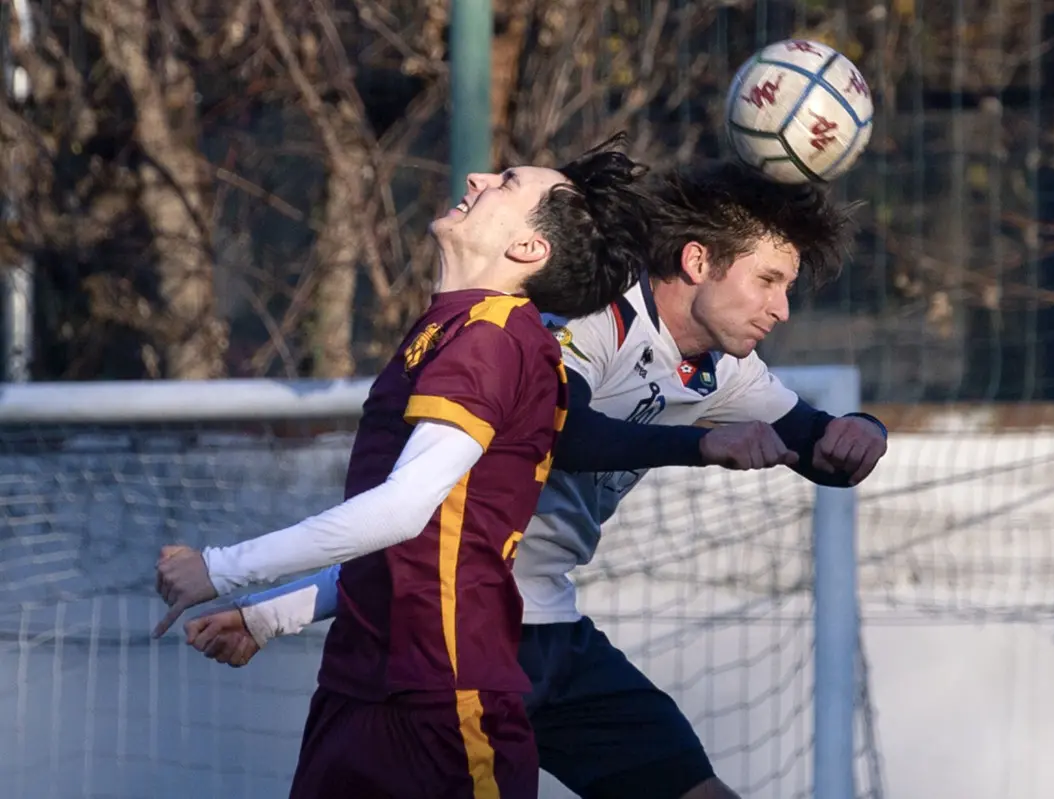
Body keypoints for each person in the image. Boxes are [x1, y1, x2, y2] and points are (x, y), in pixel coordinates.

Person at [181, 161, 889, 799]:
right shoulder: (578, 323)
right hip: (464, 648)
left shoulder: (728, 373)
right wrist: (704, 445)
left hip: (544, 631)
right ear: (699, 260)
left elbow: (816, 444)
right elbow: (558, 439)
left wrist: (862, 433)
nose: (781, 309)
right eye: (768, 280)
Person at [151, 135, 657, 799]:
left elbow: (399, 509)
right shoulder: (455, 330)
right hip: (361, 690)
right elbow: (414, 548)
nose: (477, 177)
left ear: (530, 250)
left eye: (505, 182)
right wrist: (266, 614)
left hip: (442, 707)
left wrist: (220, 567)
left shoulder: (495, 338)